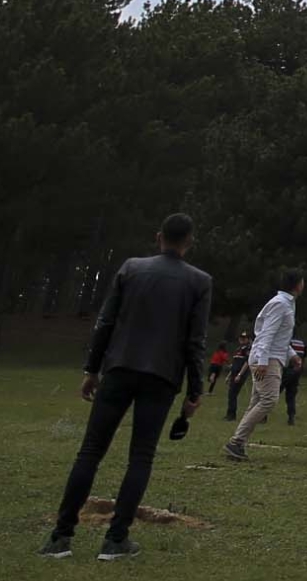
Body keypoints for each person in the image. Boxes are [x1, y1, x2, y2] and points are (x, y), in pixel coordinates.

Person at [41, 213, 213, 561]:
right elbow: (195, 342)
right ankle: (116, 538)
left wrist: (92, 368)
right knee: (141, 456)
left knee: (90, 451)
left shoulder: (131, 269)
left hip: (119, 367)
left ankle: (61, 536)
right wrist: (195, 391)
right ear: (189, 242)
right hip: (162, 376)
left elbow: (105, 321)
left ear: (158, 236)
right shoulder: (199, 282)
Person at [227, 269, 303, 462]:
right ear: (297, 284)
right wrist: (262, 361)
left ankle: (238, 443)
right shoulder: (280, 305)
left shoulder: (287, 304)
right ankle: (236, 442)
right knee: (269, 400)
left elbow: (280, 337)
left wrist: (292, 355)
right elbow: (266, 334)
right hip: (267, 359)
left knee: (256, 402)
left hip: (272, 356)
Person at [224, 332, 251, 420]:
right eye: (241, 338)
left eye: (244, 338)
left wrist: (240, 375)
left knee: (233, 393)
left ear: (248, 339)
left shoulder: (247, 349)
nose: (242, 340)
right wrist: (229, 376)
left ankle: (231, 415)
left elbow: (247, 363)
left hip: (240, 374)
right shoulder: (238, 349)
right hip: (234, 373)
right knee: (231, 394)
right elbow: (234, 364)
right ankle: (230, 413)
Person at [282, 339, 306, 425]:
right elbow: (304, 356)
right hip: (297, 372)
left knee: (274, 393)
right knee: (291, 396)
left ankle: (263, 415)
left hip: (287, 369)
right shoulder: (301, 343)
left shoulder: (287, 342)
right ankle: (291, 417)